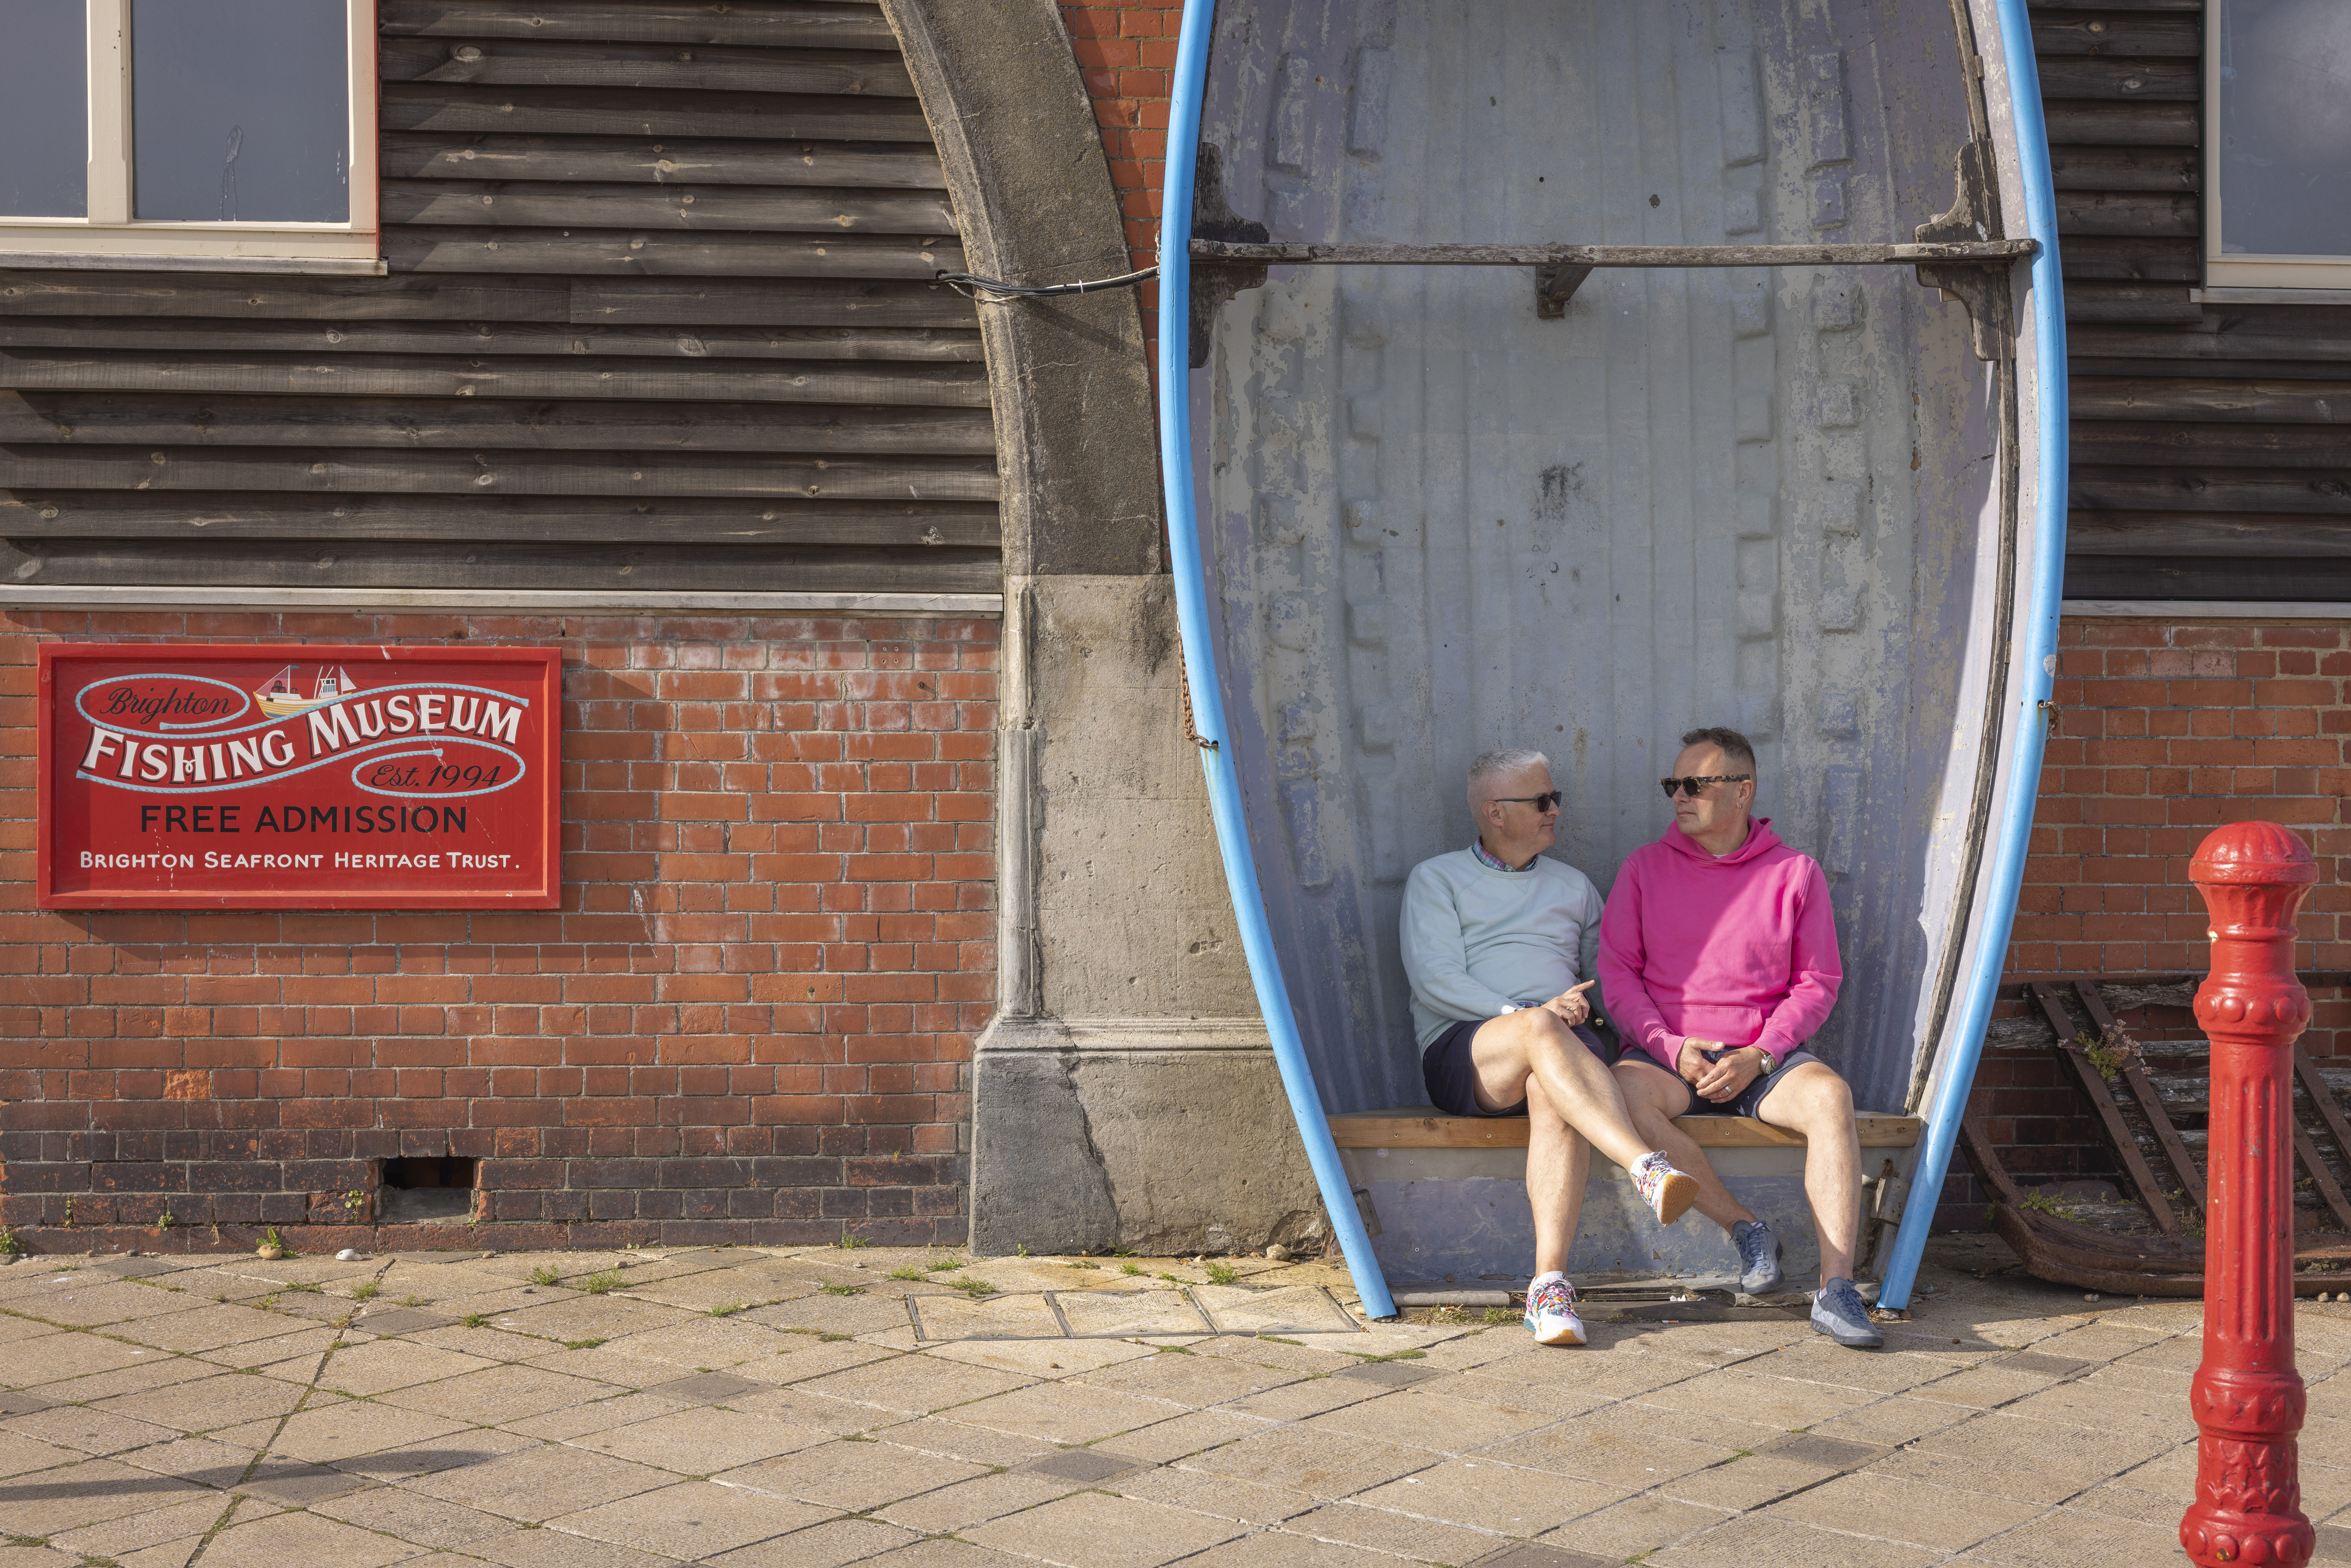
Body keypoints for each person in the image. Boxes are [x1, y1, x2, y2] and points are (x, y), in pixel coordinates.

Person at [1402, 747, 1701, 1349]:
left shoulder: (1575, 887)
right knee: (1542, 1035)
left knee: (1552, 1085)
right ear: (1495, 812)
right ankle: (1644, 1165)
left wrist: (1664, 1038)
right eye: (1540, 801)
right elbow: (1434, 977)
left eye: (1555, 798)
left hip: (1563, 1044)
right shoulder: (1437, 878)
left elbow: (1609, 983)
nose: (1555, 812)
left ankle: (1549, 1288)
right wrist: (1526, 1014)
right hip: (1472, 1047)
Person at [1598, 726, 1880, 1349]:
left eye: (1696, 784)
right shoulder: (1643, 869)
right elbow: (1616, 976)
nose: (1679, 796)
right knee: (1620, 1097)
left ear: (1742, 791)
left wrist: (1762, 1053)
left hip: (1763, 1057)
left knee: (1831, 1098)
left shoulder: (1795, 874)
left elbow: (1817, 982)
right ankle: (1747, 1229)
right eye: (1674, 784)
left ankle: (1837, 1291)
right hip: (1667, 1056)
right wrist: (1669, 1047)